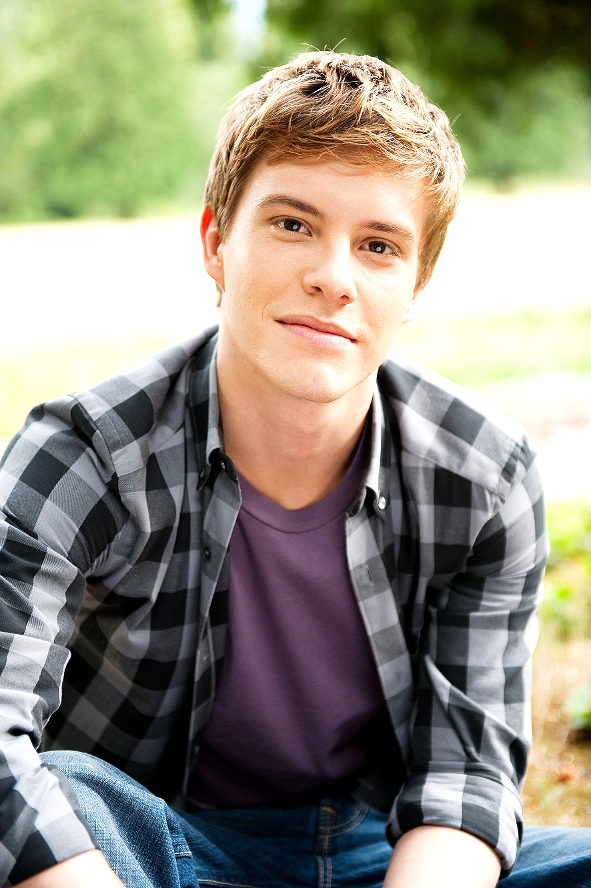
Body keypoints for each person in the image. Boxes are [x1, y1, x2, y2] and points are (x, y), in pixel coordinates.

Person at [0, 50, 589, 888]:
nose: (331, 278)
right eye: (292, 225)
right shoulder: (84, 457)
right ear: (216, 243)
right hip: (156, 849)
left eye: (378, 246)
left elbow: (464, 783)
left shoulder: (485, 477)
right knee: (60, 793)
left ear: (416, 284)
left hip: (384, 853)